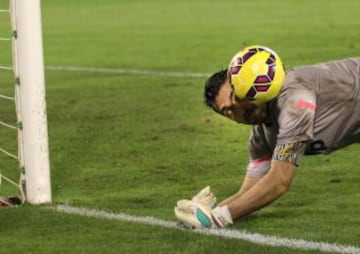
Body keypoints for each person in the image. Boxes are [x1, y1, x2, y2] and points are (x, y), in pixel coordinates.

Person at [174, 46, 360, 229]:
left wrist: (217, 220)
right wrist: (211, 211)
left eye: (235, 96)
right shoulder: (262, 137)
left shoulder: (294, 101)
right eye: (228, 111)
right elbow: (250, 192)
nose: (237, 108)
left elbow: (279, 181)